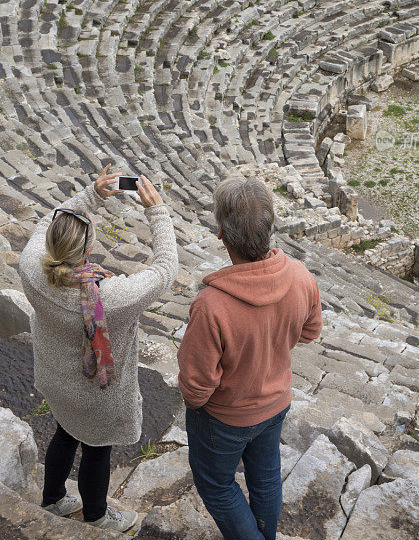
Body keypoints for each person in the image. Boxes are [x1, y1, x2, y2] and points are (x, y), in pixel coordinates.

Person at [18, 166, 179, 533]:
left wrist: (91, 194)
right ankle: (97, 517)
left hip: (57, 380)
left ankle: (54, 500)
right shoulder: (111, 296)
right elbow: (166, 268)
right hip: (96, 394)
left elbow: (48, 219)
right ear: (88, 250)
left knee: (64, 432)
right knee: (96, 449)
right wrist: (157, 210)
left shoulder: (31, 265)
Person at [177, 176, 323, 540]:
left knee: (217, 486)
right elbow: (310, 331)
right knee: (266, 478)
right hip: (276, 403)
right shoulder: (301, 277)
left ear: (222, 235)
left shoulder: (211, 305)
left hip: (225, 417)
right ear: (270, 229)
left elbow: (196, 388)